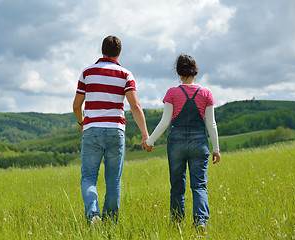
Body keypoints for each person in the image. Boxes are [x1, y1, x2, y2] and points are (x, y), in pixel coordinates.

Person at [73, 35, 149, 226]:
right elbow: (135, 106)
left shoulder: (87, 73)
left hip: (92, 131)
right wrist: (145, 134)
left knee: (89, 178)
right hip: (116, 131)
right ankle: (110, 224)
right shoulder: (126, 74)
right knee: (113, 181)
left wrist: (82, 123)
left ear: (102, 50)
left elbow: (76, 105)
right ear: (119, 53)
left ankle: (93, 216)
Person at [142, 54, 220, 233]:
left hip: (176, 143)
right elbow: (211, 124)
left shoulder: (172, 93)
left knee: (177, 185)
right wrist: (216, 149)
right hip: (199, 143)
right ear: (195, 71)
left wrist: (149, 141)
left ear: (178, 72)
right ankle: (201, 220)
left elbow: (164, 122)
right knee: (199, 185)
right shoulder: (206, 93)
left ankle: (176, 223)